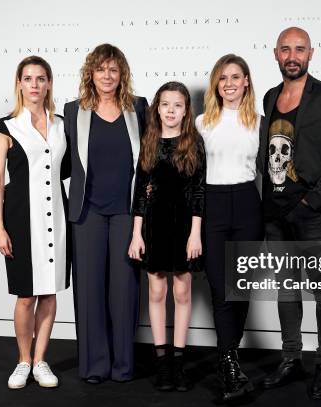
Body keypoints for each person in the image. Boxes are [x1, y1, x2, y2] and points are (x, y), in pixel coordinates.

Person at [259, 27, 321, 400]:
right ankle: (290, 359)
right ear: (275, 54)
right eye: (285, 49)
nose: (292, 55)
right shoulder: (269, 97)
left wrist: (311, 202)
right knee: (286, 289)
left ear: (311, 53)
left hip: (313, 213)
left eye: (299, 49)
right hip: (275, 213)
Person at [64, 44, 148, 384]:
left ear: (122, 74)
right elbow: (57, 161)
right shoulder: (73, 112)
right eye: (101, 69)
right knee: (89, 291)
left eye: (113, 70)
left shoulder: (138, 109)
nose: (107, 76)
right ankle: (95, 365)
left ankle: (123, 365)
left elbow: (151, 159)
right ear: (91, 73)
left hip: (127, 212)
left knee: (124, 290)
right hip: (87, 212)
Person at [0, 55, 70, 389]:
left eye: (41, 78)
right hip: (22, 219)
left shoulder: (63, 123)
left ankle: (41, 360)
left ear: (49, 83)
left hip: (59, 217)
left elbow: (70, 170)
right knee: (26, 296)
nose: (35, 85)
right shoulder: (6, 126)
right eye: (28, 79)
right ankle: (23, 361)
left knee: (50, 294)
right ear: (19, 83)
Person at [128, 81, 205, 392]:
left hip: (185, 228)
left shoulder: (194, 144)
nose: (171, 110)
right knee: (157, 293)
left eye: (177, 105)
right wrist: (137, 234)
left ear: (186, 111)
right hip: (154, 227)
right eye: (165, 104)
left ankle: (178, 362)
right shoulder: (150, 142)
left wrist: (196, 234)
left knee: (182, 294)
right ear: (156, 108)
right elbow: (141, 193)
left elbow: (199, 191)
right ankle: (162, 362)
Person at [195, 54, 263, 402]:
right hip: (213, 206)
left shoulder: (260, 123)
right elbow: (192, 177)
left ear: (247, 81)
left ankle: (230, 360)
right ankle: (228, 363)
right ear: (215, 84)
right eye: (223, 78)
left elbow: (272, 174)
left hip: (249, 205)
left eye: (236, 77)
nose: (230, 83)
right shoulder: (202, 122)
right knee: (221, 289)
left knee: (242, 288)